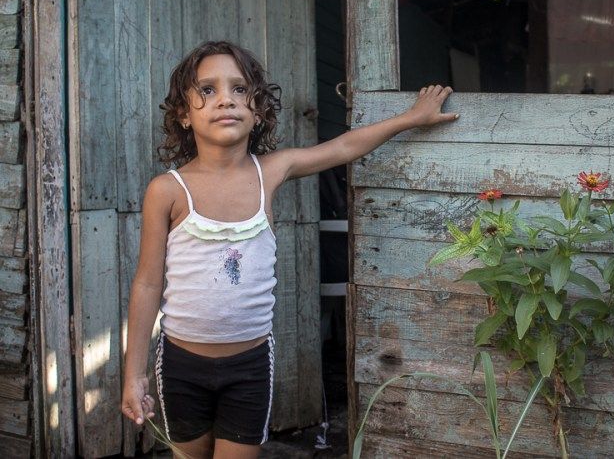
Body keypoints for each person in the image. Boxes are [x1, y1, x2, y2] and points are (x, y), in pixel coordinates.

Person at [121, 40, 458, 459]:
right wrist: (133, 374)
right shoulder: (167, 190)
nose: (226, 99)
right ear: (183, 115)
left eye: (240, 89)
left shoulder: (271, 171)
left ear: (257, 109)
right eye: (207, 90)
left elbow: (342, 148)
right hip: (180, 365)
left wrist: (409, 119)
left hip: (250, 365)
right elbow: (148, 283)